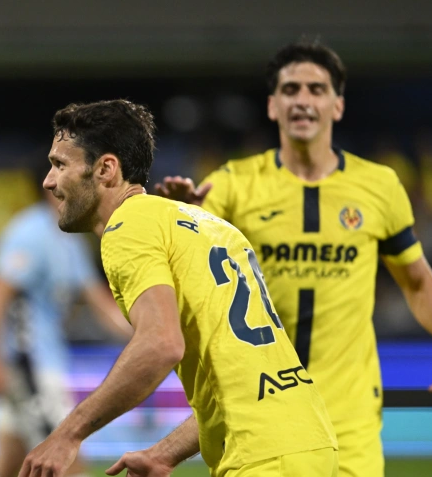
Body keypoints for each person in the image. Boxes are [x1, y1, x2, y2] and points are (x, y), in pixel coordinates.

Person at [156, 40, 432, 477]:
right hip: (267, 411)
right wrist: (181, 215)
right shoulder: (234, 185)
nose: (303, 99)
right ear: (273, 106)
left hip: (351, 414)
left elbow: (416, 279)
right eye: (291, 89)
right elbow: (181, 252)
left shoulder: (379, 186)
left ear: (338, 105)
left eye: (317, 89)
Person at [19, 99, 338, 477]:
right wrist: (164, 453)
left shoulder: (126, 228)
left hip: (262, 457)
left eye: (60, 164)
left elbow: (161, 344)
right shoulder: (210, 225)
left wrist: (66, 435)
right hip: (308, 439)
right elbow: (240, 380)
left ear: (106, 169)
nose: (48, 181)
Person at [0, 188, 131, 477]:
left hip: (40, 363)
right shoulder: (29, 232)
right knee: (67, 462)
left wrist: (145, 334)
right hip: (29, 364)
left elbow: (98, 301)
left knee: (8, 467)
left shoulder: (69, 239)